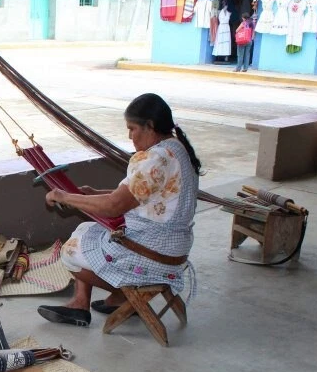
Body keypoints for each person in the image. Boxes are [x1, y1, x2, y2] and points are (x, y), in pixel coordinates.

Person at [37, 94, 201, 327]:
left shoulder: (156, 158)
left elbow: (114, 206)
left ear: (150, 126)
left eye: (132, 129)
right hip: (174, 245)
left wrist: (66, 197)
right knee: (86, 229)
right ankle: (82, 303)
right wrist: (92, 193)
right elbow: (137, 195)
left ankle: (126, 295)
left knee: (70, 251)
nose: (130, 136)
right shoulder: (176, 148)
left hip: (154, 251)